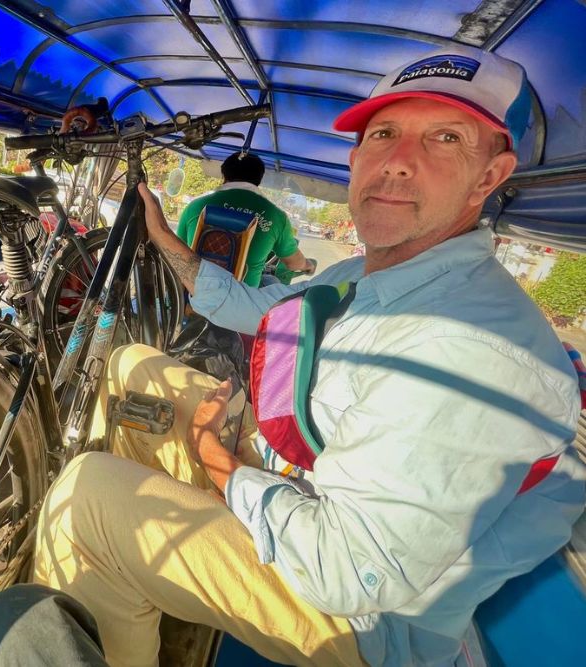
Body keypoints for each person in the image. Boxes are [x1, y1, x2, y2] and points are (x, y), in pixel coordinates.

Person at [32, 45, 586, 667]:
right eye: (384, 134)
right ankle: (138, 599)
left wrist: (220, 465)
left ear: (489, 176)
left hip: (368, 622)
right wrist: (163, 240)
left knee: (85, 498)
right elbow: (248, 305)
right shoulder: (361, 273)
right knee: (134, 363)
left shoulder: (474, 346)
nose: (399, 162)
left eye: (445, 138)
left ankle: (106, 569)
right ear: (356, 160)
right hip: (302, 483)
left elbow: (346, 573)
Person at [175, 152, 317, 287]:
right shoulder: (276, 216)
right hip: (242, 302)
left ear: (224, 176)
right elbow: (293, 263)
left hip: (192, 295)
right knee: (272, 280)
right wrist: (308, 265)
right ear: (259, 180)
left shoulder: (195, 206)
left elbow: (176, 249)